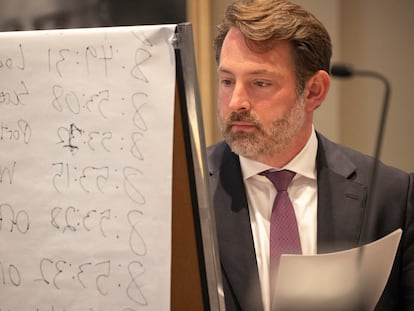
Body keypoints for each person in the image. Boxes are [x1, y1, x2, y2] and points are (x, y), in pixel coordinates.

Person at [206, 0, 414, 310]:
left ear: (314, 90)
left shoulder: (391, 194)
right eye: (227, 81)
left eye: (260, 83)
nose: (236, 102)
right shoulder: (181, 189)